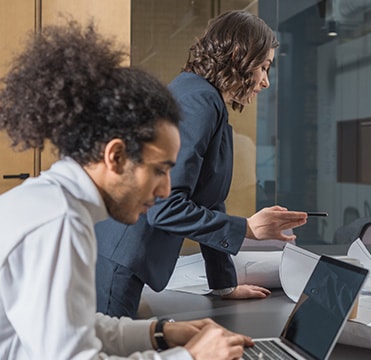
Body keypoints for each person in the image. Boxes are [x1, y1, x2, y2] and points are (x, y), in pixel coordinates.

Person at [0, 20, 253, 359]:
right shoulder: (61, 223)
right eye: (160, 170)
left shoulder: (50, 200)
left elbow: (77, 327)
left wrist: (160, 332)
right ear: (116, 155)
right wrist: (191, 357)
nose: (166, 190)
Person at [95, 10, 308, 318]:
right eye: (264, 67)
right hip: (121, 261)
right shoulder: (200, 102)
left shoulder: (203, 97)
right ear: (239, 55)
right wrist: (247, 228)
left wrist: (224, 284)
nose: (266, 82)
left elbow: (209, 201)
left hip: (124, 257)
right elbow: (164, 207)